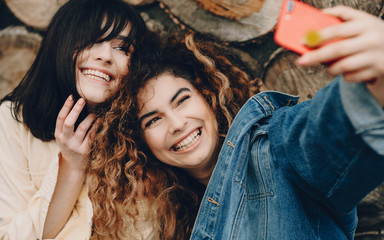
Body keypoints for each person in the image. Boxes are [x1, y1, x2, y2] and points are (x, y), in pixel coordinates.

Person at [88, 5, 384, 240]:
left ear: (208, 96)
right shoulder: (170, 220)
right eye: (153, 120)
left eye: (182, 100)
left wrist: (376, 82)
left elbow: (331, 133)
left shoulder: (272, 150)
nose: (177, 124)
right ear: (142, 143)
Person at [0, 0, 155, 239]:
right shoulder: (13, 121)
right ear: (62, 43)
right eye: (92, 39)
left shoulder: (145, 130)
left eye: (123, 48)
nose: (105, 56)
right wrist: (72, 167)